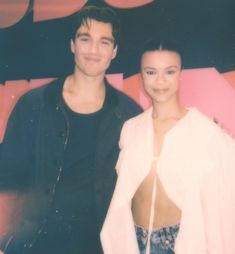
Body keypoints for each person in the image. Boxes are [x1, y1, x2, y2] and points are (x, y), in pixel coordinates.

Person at [0, 5, 142, 254]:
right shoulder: (34, 104)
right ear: (72, 45)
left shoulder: (130, 115)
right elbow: (8, 174)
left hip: (99, 247)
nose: (93, 50)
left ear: (114, 51)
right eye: (85, 39)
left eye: (104, 42)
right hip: (37, 246)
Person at [101, 39, 235, 254]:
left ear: (180, 74)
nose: (160, 81)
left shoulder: (205, 131)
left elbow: (223, 203)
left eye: (169, 72)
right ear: (141, 76)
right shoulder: (131, 128)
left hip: (179, 242)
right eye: (151, 72)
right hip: (131, 241)